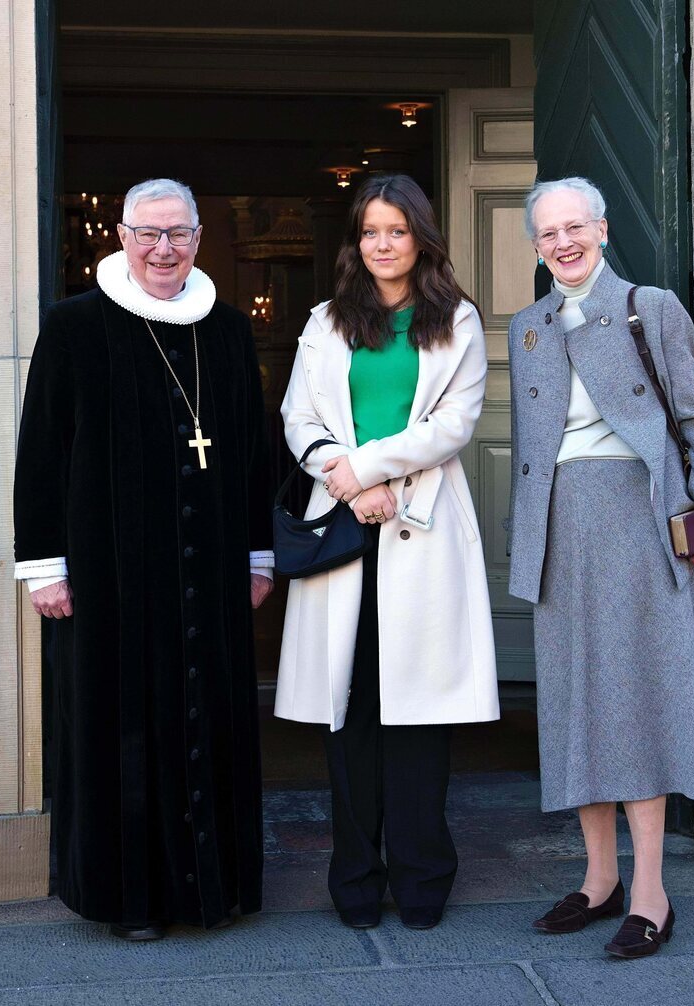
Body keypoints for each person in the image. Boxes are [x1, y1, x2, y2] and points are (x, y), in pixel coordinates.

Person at [13, 178, 274, 941]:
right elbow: (39, 456)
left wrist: (258, 555)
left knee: (209, 722)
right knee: (123, 731)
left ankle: (213, 888)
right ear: (122, 236)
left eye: (180, 234)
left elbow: (253, 453)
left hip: (211, 571)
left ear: (199, 237)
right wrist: (44, 566)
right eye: (149, 233)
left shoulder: (223, 330)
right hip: (108, 574)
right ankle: (133, 901)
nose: (165, 249)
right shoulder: (73, 327)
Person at [507, 177, 694, 959]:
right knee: (577, 702)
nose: (563, 243)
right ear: (536, 245)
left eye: (575, 227)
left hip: (638, 520)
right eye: (548, 233)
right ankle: (598, 878)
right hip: (557, 529)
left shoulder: (651, 305)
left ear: (602, 229)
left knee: (638, 697)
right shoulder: (530, 326)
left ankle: (651, 892)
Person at [275, 174, 499, 932]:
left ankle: (423, 878)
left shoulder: (456, 320)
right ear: (356, 241)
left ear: (421, 238)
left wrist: (366, 471)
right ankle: (356, 883)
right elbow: (298, 414)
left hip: (421, 526)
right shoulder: (326, 320)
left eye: (396, 231)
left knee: (419, 713)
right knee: (352, 713)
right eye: (370, 231)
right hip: (344, 528)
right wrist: (344, 480)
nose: (382, 244)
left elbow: (453, 424)